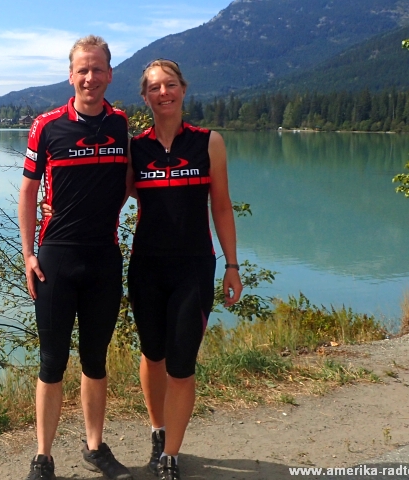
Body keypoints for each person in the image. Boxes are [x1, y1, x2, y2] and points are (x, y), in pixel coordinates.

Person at [17, 35, 133, 480]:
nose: (90, 77)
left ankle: (95, 447)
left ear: (109, 74)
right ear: (71, 75)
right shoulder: (46, 126)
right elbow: (27, 192)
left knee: (96, 360)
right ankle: (43, 457)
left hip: (103, 259)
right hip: (56, 262)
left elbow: (127, 181)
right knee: (51, 361)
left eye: (97, 69)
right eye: (82, 69)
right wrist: (28, 254)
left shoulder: (121, 124)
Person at [128, 59, 242, 480]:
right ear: (145, 96)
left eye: (170, 84)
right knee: (152, 354)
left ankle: (171, 455)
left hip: (194, 269)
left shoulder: (208, 142)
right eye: (154, 87)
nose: (164, 93)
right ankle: (158, 428)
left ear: (183, 90)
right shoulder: (135, 148)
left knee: (181, 364)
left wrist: (231, 265)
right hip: (146, 269)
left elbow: (223, 208)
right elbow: (108, 201)